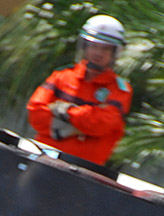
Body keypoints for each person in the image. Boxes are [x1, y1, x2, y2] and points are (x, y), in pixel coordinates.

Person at [27, 15, 132, 166]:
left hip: (85, 169)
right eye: (94, 46)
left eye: (105, 48)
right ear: (85, 46)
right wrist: (83, 125)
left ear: (115, 52)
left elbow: (101, 125)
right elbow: (36, 114)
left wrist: (63, 111)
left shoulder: (121, 89)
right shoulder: (61, 76)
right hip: (43, 158)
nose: (98, 53)